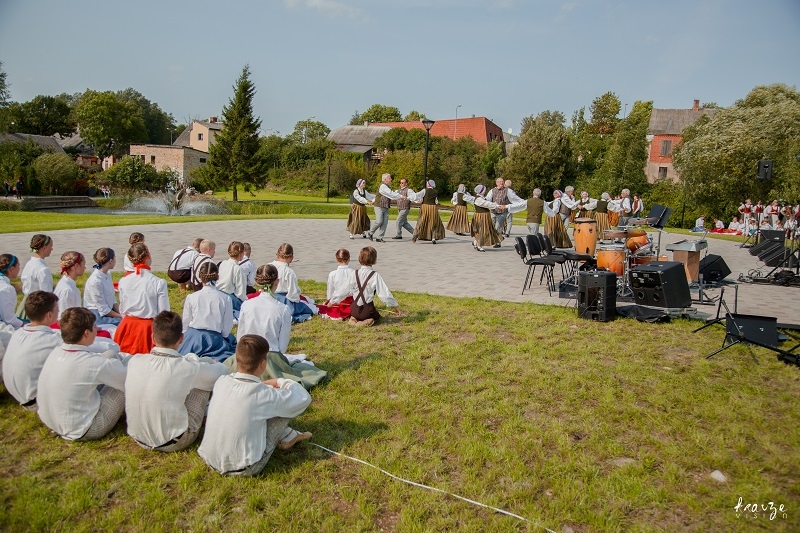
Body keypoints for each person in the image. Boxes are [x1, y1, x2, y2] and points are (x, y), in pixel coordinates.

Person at [197, 334, 313, 476]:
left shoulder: (222, 381)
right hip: (245, 467)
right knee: (285, 406)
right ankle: (288, 435)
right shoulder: (263, 394)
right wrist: (281, 381)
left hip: (210, 459)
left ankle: (288, 435)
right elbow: (303, 398)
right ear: (263, 364)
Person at [126, 310, 228, 452]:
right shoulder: (186, 368)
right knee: (202, 386)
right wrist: (211, 362)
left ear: (153, 337)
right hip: (173, 441)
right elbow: (221, 372)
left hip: (138, 436)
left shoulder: (135, 361)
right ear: (181, 338)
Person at [37, 308, 129, 441]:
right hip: (85, 429)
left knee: (111, 355)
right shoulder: (93, 363)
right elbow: (129, 382)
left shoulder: (56, 352)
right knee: (129, 379)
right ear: (86, 333)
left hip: (53, 421)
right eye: (94, 327)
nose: (96, 330)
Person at [3, 291, 61, 411]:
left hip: (18, 395)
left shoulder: (18, 333)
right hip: (36, 402)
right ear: (49, 315)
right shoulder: (51, 340)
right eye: (57, 310)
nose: (59, 312)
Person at [115, 243, 169, 355]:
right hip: (147, 329)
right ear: (148, 256)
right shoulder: (158, 282)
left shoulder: (124, 281)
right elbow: (163, 313)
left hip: (127, 326)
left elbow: (123, 308)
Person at [179, 262, 237, 362]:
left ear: (200, 277)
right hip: (214, 339)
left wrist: (187, 339)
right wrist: (223, 337)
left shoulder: (192, 297)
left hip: (193, 338)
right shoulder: (225, 298)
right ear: (218, 277)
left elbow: (185, 323)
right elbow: (227, 326)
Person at [237, 264, 292, 354]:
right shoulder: (283, 309)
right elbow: (282, 346)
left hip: (249, 353)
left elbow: (240, 336)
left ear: (257, 282)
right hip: (271, 356)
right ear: (277, 282)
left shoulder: (246, 305)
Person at [348, 246, 399, 326]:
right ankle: (366, 321)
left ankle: (353, 319)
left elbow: (348, 290)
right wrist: (394, 305)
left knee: (357, 314)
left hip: (354, 309)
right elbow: (384, 294)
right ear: (374, 260)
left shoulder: (354, 273)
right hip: (367, 310)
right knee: (376, 316)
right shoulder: (375, 275)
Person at [270, 243, 318, 323]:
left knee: (308, 300)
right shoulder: (289, 272)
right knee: (312, 308)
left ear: (277, 255)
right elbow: (293, 295)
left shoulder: (268, 266)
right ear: (291, 257)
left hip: (270, 297)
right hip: (284, 301)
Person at [84, 248, 122, 326]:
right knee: (125, 324)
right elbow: (103, 310)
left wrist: (122, 313)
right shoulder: (95, 281)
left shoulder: (107, 274)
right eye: (115, 257)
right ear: (111, 261)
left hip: (108, 310)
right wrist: (122, 316)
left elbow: (113, 300)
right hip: (96, 315)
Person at [317, 248, 355, 320]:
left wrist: (329, 301)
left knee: (326, 307)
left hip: (337, 301)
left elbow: (330, 291)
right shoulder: (354, 273)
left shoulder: (332, 274)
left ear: (337, 259)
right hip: (350, 301)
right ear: (349, 259)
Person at [465, 184, 505, 251]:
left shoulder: (481, 197)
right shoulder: (479, 199)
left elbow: (487, 201)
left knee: (483, 230)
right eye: (484, 190)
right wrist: (497, 206)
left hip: (484, 216)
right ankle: (479, 245)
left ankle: (476, 243)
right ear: (481, 191)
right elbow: (487, 204)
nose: (485, 191)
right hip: (481, 216)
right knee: (482, 230)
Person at [367, 173, 402, 243]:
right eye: (390, 178)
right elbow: (390, 194)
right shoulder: (383, 186)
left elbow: (385, 195)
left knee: (385, 223)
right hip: (379, 206)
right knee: (379, 221)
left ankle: (379, 237)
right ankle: (370, 232)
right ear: (385, 179)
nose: (391, 179)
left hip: (385, 206)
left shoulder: (387, 186)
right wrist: (401, 196)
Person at [216, 241, 248, 319]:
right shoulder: (238, 269)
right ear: (241, 253)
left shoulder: (223, 263)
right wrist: (245, 302)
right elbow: (240, 292)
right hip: (229, 297)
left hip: (218, 293)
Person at [411, 180, 446, 244]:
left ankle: (415, 235)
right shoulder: (435, 192)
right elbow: (436, 202)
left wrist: (411, 197)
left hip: (425, 207)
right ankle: (433, 238)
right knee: (434, 222)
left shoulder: (425, 190)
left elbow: (418, 196)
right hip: (433, 208)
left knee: (421, 221)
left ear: (428, 184)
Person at [54, 251, 86, 320]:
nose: (85, 267)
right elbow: (64, 318)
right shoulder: (67, 290)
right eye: (84, 264)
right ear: (76, 266)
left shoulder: (66, 283)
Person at [0, 254, 23, 330]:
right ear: (11, 269)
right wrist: (23, 324)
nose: (19, 268)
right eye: (18, 266)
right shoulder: (7, 288)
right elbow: (8, 320)